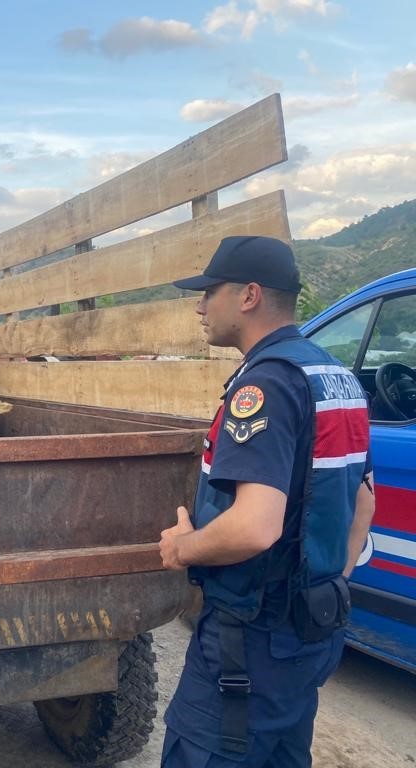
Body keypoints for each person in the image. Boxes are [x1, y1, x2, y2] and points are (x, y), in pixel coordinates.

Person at [158, 236, 376, 767]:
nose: (200, 305)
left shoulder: (266, 386)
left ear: (249, 295)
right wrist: (322, 583)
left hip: (248, 645)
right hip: (309, 631)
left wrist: (184, 548)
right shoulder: (335, 375)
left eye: (210, 291)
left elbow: (256, 527)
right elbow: (364, 501)